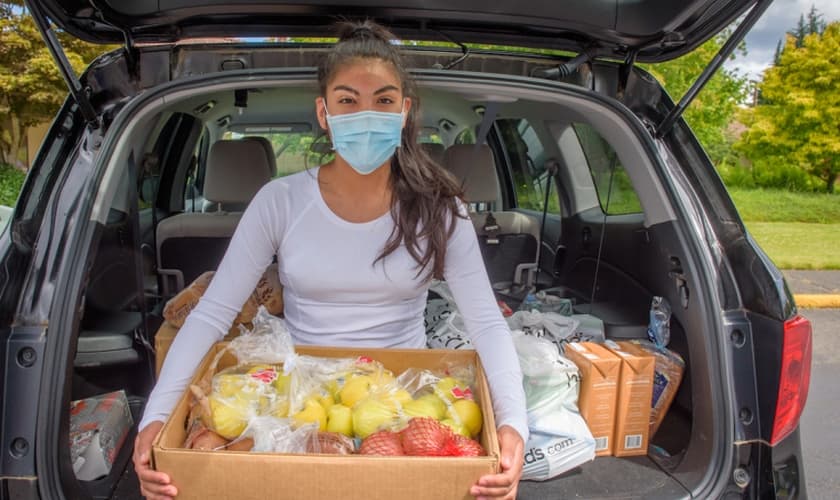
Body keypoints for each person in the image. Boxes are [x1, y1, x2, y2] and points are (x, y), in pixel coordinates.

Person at [133, 20, 528, 500]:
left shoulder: (442, 209)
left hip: (405, 401)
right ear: (324, 112)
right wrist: (157, 416)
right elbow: (213, 313)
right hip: (301, 400)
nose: (366, 113)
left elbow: (486, 322)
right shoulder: (279, 201)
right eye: (347, 100)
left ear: (404, 111)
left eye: (383, 100)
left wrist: (513, 426)